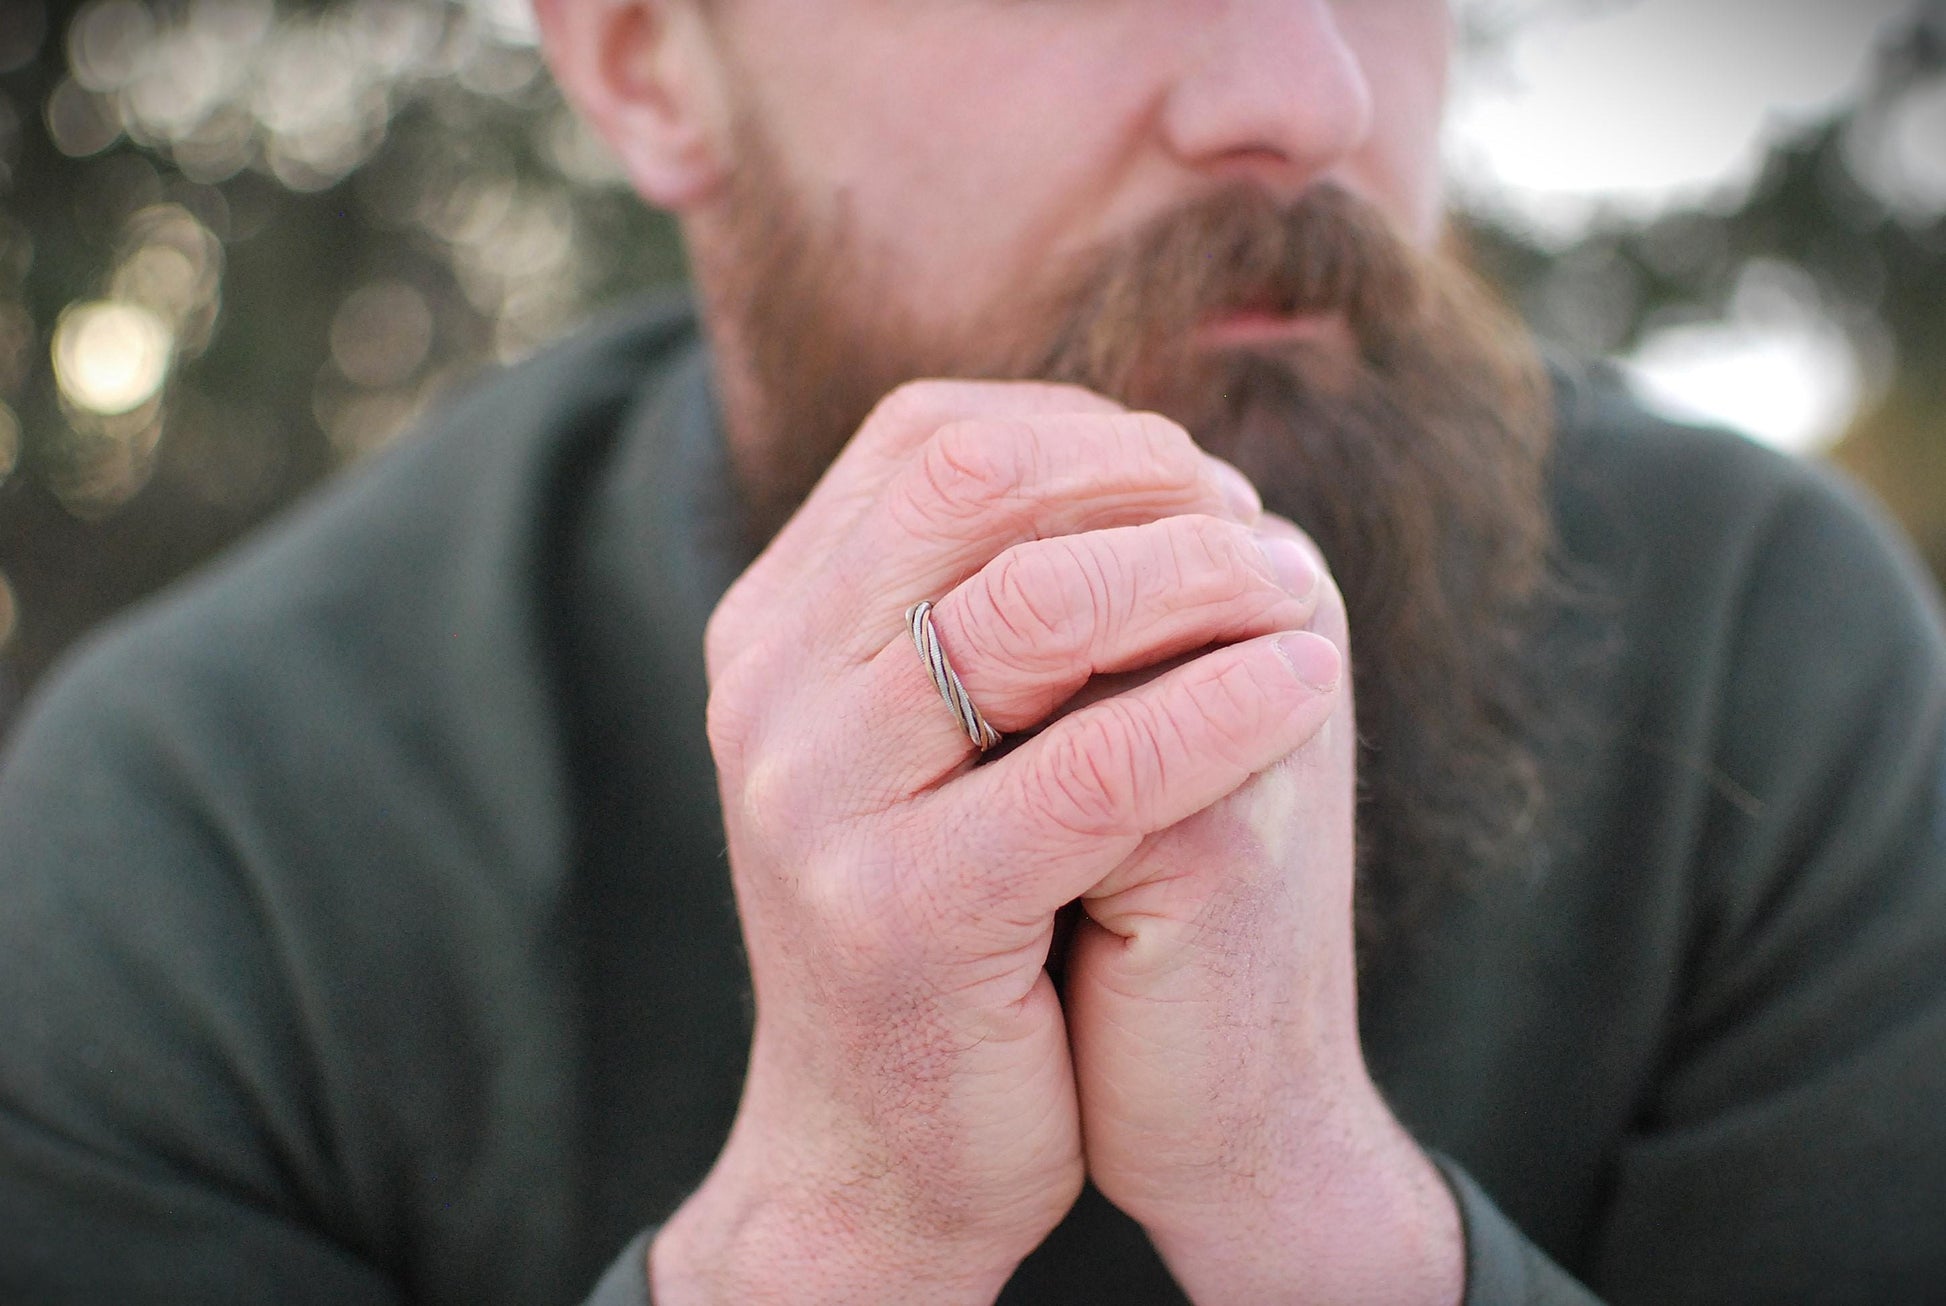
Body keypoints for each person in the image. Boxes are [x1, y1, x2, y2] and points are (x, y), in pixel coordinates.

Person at [3, 1, 1944, 1302]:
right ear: (648, 61)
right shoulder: (198, 845)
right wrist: (828, 1240)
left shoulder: (1770, 654)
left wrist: (1321, 1212)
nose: (1305, 94)